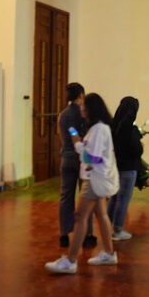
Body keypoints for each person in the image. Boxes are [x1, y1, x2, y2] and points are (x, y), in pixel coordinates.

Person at [45, 93, 120, 273]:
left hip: (93, 178)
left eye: (84, 105)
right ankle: (109, 253)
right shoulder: (99, 128)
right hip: (97, 177)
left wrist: (78, 145)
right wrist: (78, 140)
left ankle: (70, 260)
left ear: (92, 108)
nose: (81, 108)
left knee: (80, 217)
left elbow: (92, 157)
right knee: (101, 214)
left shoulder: (99, 129)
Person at [57, 83, 96, 248]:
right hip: (83, 160)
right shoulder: (84, 113)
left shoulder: (63, 115)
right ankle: (87, 235)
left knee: (66, 196)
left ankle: (64, 234)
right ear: (81, 95)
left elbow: (63, 135)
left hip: (67, 158)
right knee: (86, 197)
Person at [108, 96, 143, 241]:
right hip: (128, 168)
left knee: (114, 198)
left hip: (115, 166)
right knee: (123, 199)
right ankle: (117, 230)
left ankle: (108, 225)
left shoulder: (113, 126)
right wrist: (141, 146)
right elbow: (137, 150)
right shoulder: (131, 129)